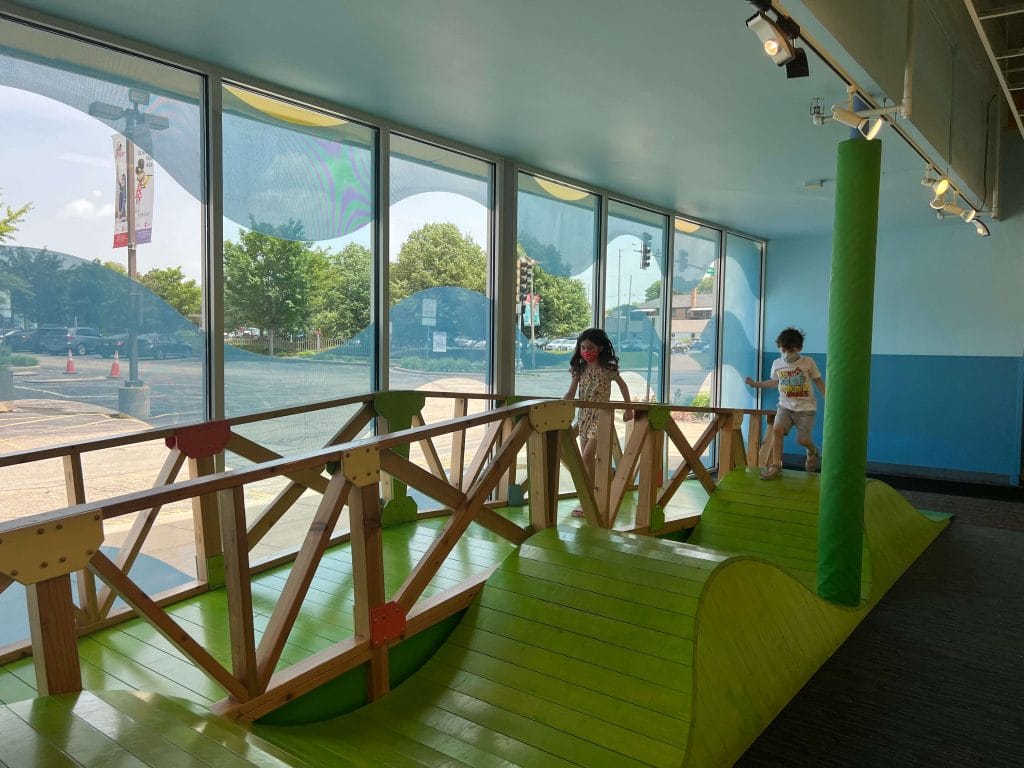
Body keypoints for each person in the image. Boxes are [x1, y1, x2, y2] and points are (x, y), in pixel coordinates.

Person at [564, 328, 633, 515]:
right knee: (587, 462)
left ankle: (586, 503)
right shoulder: (579, 369)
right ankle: (605, 480)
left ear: (600, 348)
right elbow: (571, 392)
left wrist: (629, 408)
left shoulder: (608, 369)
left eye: (590, 347)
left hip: (602, 417)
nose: (586, 351)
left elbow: (624, 387)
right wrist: (564, 404)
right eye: (583, 347)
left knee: (585, 459)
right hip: (584, 416)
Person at [745, 327, 825, 480]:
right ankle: (776, 465)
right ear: (779, 348)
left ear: (799, 348)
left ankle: (812, 449)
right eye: (784, 350)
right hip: (785, 407)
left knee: (801, 440)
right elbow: (774, 382)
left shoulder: (807, 362)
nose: (787, 354)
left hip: (806, 409)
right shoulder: (777, 363)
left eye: (791, 351)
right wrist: (756, 384)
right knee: (777, 430)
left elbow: (818, 381)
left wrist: (829, 398)